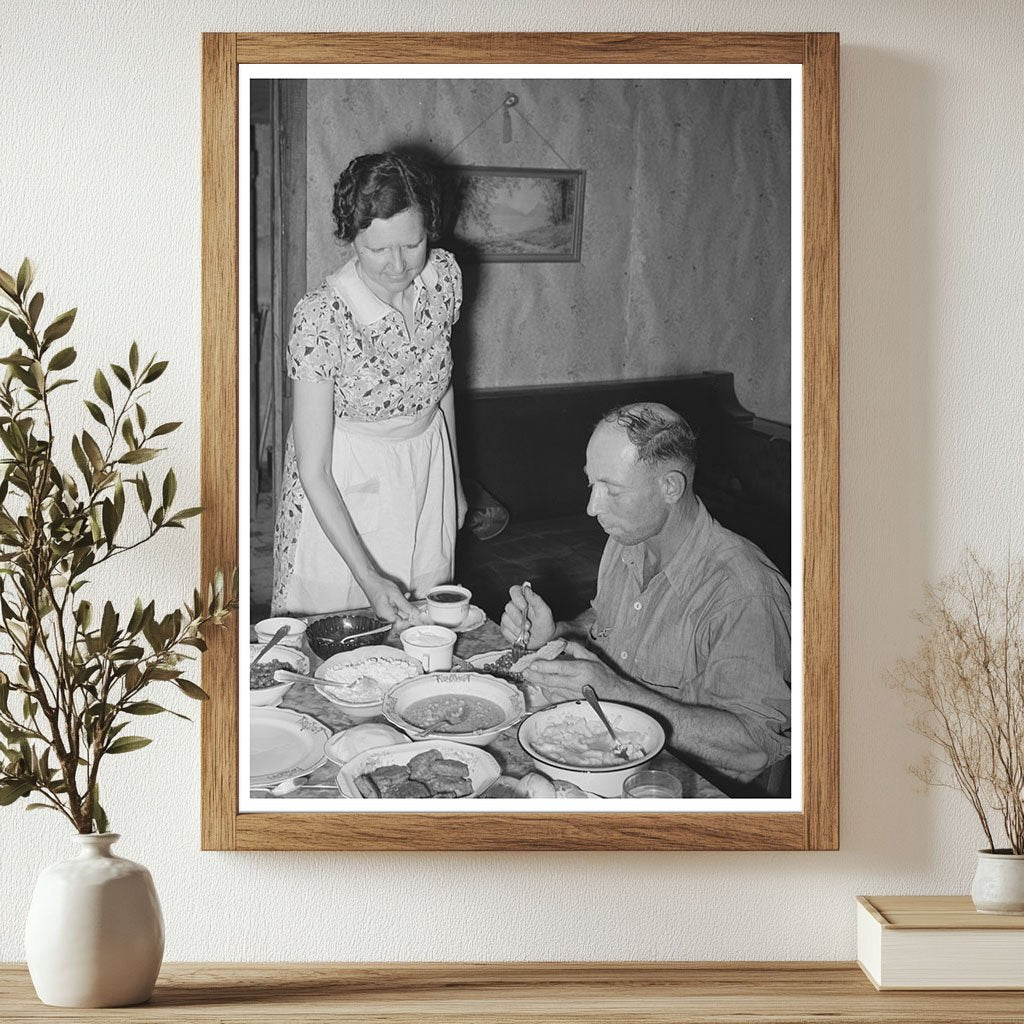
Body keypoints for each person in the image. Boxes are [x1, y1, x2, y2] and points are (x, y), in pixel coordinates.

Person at [500, 402, 791, 791]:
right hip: (606, 754)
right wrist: (559, 632)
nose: (592, 507)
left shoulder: (743, 592)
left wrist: (617, 694)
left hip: (686, 787)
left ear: (669, 487)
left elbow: (755, 748)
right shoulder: (627, 540)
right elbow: (607, 621)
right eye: (592, 483)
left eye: (612, 490)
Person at [272, 152, 466, 620]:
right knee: (345, 636)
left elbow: (441, 389)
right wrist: (370, 577)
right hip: (344, 488)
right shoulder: (320, 318)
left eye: (412, 243)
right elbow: (313, 469)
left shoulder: (445, 280)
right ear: (351, 238)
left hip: (427, 473)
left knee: (423, 629)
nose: (399, 264)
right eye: (378, 249)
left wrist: (456, 485)